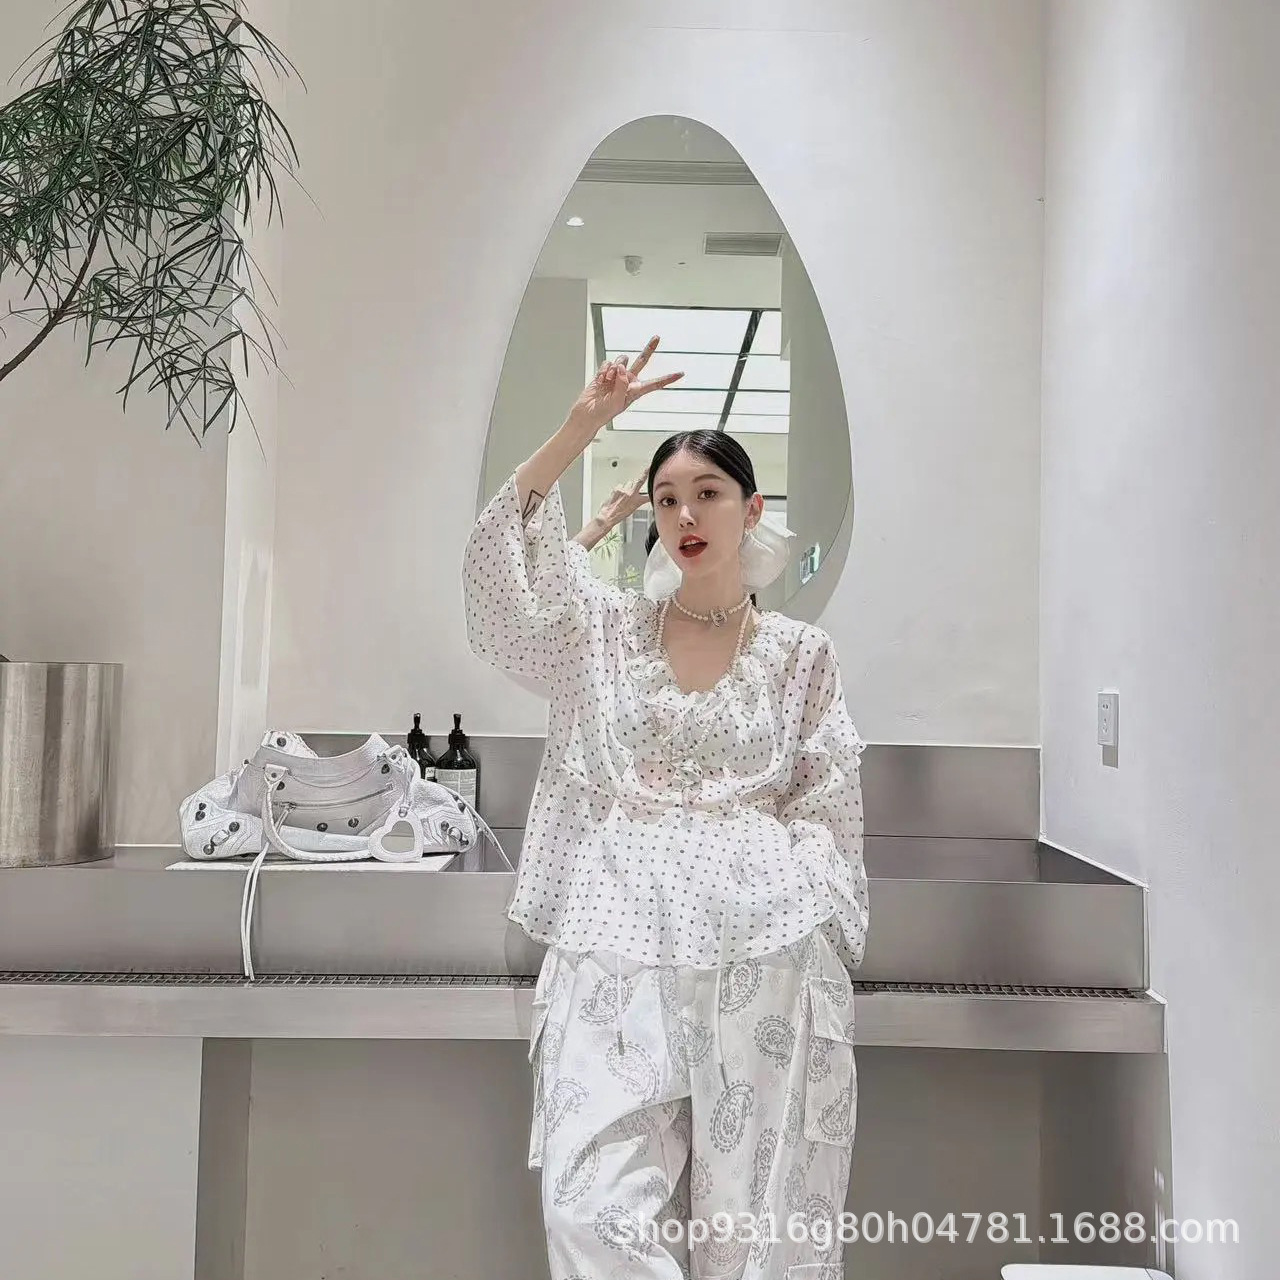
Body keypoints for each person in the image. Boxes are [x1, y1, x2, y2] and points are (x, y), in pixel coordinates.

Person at [462, 337, 869, 1280]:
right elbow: (499, 601)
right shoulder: (605, 635)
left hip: (762, 940)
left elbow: (828, 801)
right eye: (667, 499)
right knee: (591, 1205)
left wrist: (806, 894)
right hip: (620, 928)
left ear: (751, 509)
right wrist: (580, 428)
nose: (685, 514)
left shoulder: (801, 655)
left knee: (762, 1228)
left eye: (708, 493)